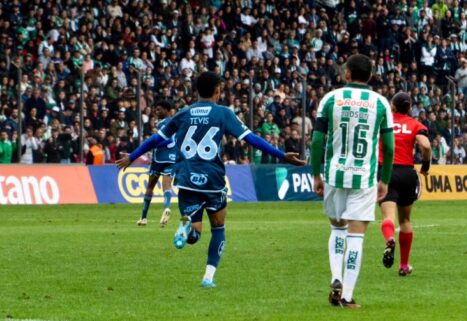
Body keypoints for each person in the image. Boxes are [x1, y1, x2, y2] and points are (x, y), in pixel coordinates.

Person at [117, 72, 305, 288]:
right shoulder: (223, 113)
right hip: (212, 180)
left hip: (186, 178)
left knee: (195, 234)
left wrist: (131, 157)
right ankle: (208, 277)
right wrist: (281, 155)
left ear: (197, 90)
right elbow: (251, 138)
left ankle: (186, 228)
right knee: (218, 228)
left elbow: (155, 139)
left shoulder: (183, 113)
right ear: (218, 90)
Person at [311, 54, 395, 309]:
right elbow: (389, 148)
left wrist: (316, 174)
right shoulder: (380, 103)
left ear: (347, 73)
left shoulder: (330, 99)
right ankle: (347, 295)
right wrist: (385, 179)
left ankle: (335, 277)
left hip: (334, 175)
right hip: (364, 178)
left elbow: (316, 141)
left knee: (337, 229)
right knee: (356, 237)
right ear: (369, 76)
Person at [378, 92, 431, 276]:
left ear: (392, 106)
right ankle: (404, 265)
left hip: (386, 171)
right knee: (406, 220)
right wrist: (426, 165)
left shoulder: (383, 120)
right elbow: (426, 146)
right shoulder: (414, 124)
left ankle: (390, 238)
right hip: (407, 173)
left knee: (388, 216)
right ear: (409, 108)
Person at [137, 101, 177, 227]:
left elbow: (167, 139)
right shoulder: (175, 122)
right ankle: (167, 207)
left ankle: (143, 217)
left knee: (150, 186)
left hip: (159, 158)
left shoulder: (163, 123)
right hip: (172, 158)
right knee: (167, 186)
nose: (156, 112)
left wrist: (154, 144)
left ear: (166, 110)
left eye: (159, 110)